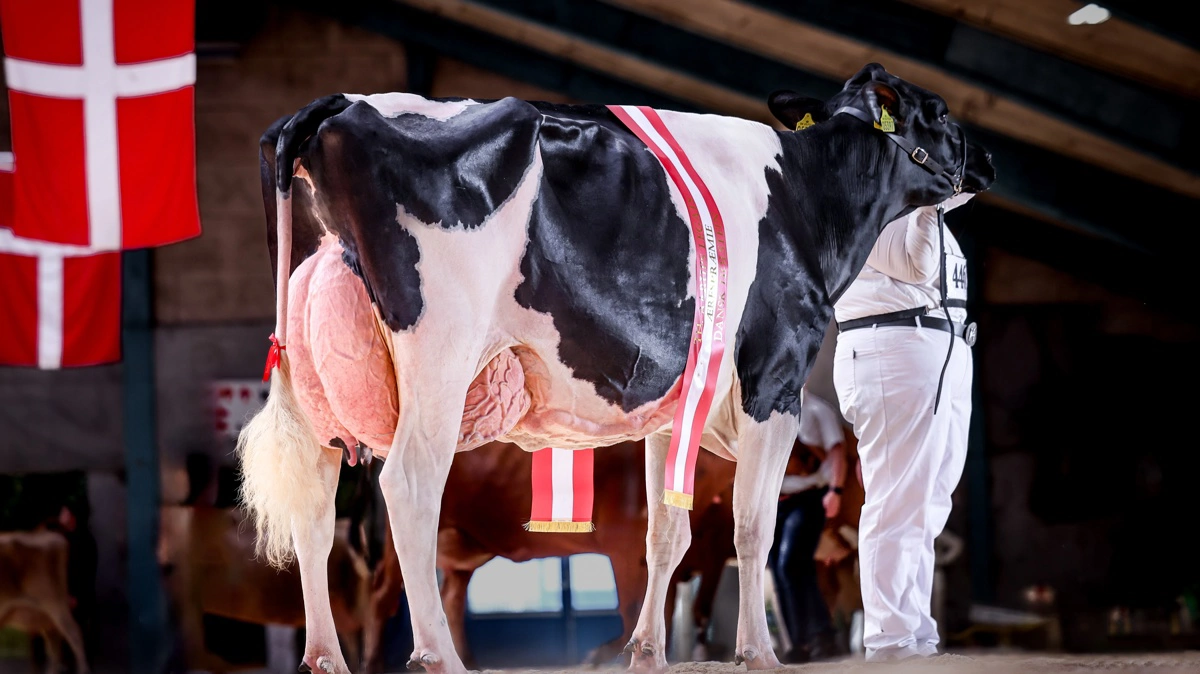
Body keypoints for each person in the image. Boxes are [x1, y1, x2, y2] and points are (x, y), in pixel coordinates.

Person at [831, 191, 977, 661]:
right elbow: (917, 266)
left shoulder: (923, 212)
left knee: (928, 503)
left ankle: (915, 634)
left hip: (945, 347)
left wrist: (942, 200)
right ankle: (890, 641)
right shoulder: (864, 203)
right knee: (897, 500)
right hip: (892, 344)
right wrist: (934, 202)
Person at [769, 385, 847, 663]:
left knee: (791, 564)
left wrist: (836, 490)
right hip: (774, 501)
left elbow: (837, 451)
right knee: (781, 570)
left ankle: (813, 638)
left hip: (808, 497)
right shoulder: (770, 408)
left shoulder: (817, 410)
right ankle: (803, 641)